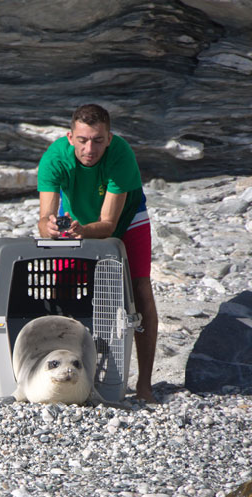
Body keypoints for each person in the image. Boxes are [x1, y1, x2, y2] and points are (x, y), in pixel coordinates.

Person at [36, 103, 158, 402]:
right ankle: (62, 375)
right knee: (60, 288)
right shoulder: (54, 159)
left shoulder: (121, 156)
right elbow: (42, 221)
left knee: (140, 289)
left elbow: (108, 225)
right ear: (70, 137)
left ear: (109, 137)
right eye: (82, 140)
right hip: (77, 217)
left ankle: (144, 385)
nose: (90, 148)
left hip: (126, 219)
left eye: (98, 140)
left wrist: (81, 232)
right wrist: (50, 228)